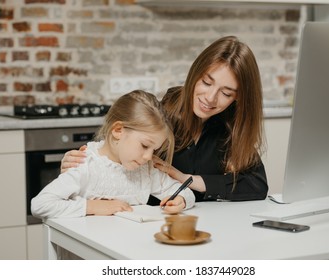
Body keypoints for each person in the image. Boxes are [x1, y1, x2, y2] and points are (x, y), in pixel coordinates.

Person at [60, 35, 268, 203]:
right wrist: (82, 168)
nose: (210, 98)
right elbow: (114, 163)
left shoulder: (231, 126)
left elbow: (257, 185)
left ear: (238, 98)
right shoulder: (162, 114)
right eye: (206, 82)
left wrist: (188, 180)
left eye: (226, 93)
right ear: (195, 74)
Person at [31, 90, 195, 220]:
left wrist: (181, 200)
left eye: (154, 150)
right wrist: (93, 207)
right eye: (144, 145)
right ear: (118, 131)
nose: (148, 157)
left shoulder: (145, 170)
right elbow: (40, 205)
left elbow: (184, 192)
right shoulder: (86, 164)